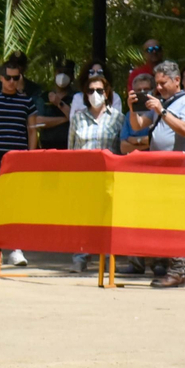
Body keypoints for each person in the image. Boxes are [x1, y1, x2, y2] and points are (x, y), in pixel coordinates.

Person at [128, 61, 185, 288]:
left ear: (176, 80)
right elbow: (139, 125)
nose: (158, 88)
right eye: (156, 83)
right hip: (159, 170)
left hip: (178, 171)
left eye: (163, 83)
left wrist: (162, 110)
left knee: (175, 219)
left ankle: (179, 270)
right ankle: (174, 268)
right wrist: (132, 108)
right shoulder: (162, 102)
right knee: (164, 218)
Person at [66, 72, 125, 271]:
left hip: (109, 176)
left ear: (107, 93)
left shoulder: (118, 118)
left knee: (108, 217)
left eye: (99, 90)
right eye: (91, 91)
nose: (95, 94)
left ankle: (108, 258)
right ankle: (81, 257)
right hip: (84, 176)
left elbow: (120, 148)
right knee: (83, 217)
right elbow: (71, 148)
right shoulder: (77, 118)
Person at [0, 57, 37, 267]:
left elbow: (31, 130)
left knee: (16, 202)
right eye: (8, 77)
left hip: (18, 156)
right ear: (2, 78)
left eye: (16, 78)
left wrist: (31, 156)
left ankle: (16, 247)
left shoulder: (27, 101)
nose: (12, 81)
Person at [35, 60, 73, 149]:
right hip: (46, 146)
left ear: (72, 76)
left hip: (68, 147)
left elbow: (76, 119)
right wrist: (65, 119)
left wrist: (59, 103)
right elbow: (39, 121)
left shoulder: (77, 97)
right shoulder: (44, 97)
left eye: (66, 73)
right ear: (54, 74)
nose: (62, 76)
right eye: (59, 72)